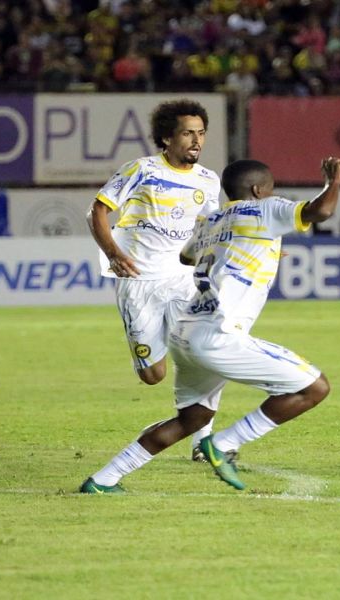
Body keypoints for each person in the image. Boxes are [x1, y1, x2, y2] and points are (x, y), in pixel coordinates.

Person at [80, 156, 340, 494]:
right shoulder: (266, 209)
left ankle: (103, 479)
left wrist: (255, 248)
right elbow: (320, 211)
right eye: (271, 189)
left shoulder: (212, 220)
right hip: (218, 336)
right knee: (314, 388)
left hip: (185, 333)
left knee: (193, 419)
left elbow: (186, 258)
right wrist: (333, 182)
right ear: (258, 190)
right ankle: (225, 443)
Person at [87, 99, 225, 462]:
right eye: (187, 133)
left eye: (201, 133)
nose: (196, 141)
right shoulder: (141, 170)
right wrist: (115, 254)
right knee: (153, 376)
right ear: (166, 138)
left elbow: (212, 227)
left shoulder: (208, 180)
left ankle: (202, 440)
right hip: (140, 281)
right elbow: (98, 211)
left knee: (204, 353)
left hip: (184, 281)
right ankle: (169, 429)